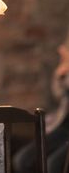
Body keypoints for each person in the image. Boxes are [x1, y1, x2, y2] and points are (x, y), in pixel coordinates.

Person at [13, 35, 69, 173]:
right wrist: (61, 74)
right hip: (63, 125)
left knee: (53, 164)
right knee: (22, 160)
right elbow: (58, 95)